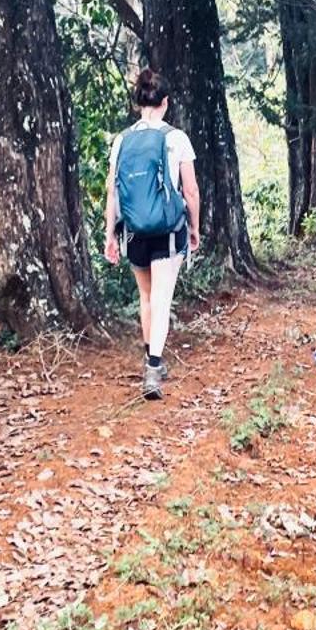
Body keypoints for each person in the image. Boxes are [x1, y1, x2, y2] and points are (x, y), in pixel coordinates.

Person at [104, 67, 201, 399]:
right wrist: (195, 227)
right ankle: (153, 371)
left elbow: (112, 192)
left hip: (133, 229)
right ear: (166, 102)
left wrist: (109, 235)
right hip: (167, 228)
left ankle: (150, 358)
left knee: (146, 297)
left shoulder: (122, 140)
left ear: (137, 103)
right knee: (162, 297)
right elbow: (191, 192)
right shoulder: (176, 139)